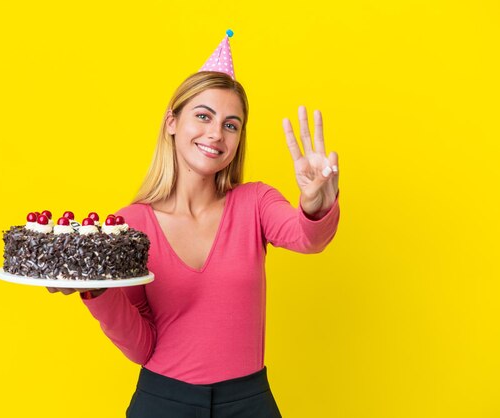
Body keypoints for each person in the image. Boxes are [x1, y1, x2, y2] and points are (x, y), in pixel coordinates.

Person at [46, 32, 340, 417]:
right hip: (162, 403)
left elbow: (306, 238)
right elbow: (141, 347)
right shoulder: (130, 225)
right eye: (203, 116)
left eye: (231, 125)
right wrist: (98, 290)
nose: (216, 134)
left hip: (248, 404)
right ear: (172, 121)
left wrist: (316, 204)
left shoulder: (254, 202)